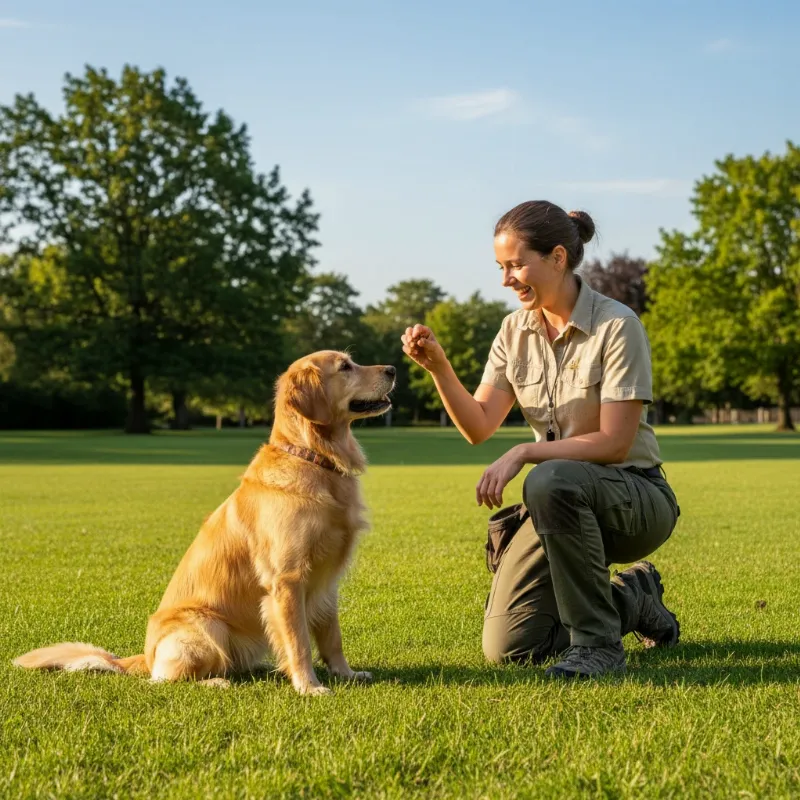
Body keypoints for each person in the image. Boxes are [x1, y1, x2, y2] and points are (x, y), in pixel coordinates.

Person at [401, 200, 681, 680]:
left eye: (515, 265)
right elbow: (479, 425)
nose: (506, 279)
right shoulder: (513, 331)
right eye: (500, 267)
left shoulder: (617, 326)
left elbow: (615, 443)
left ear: (556, 257)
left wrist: (525, 450)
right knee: (509, 647)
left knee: (549, 478)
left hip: (635, 499)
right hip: (560, 501)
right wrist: (440, 369)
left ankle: (598, 647)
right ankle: (633, 599)